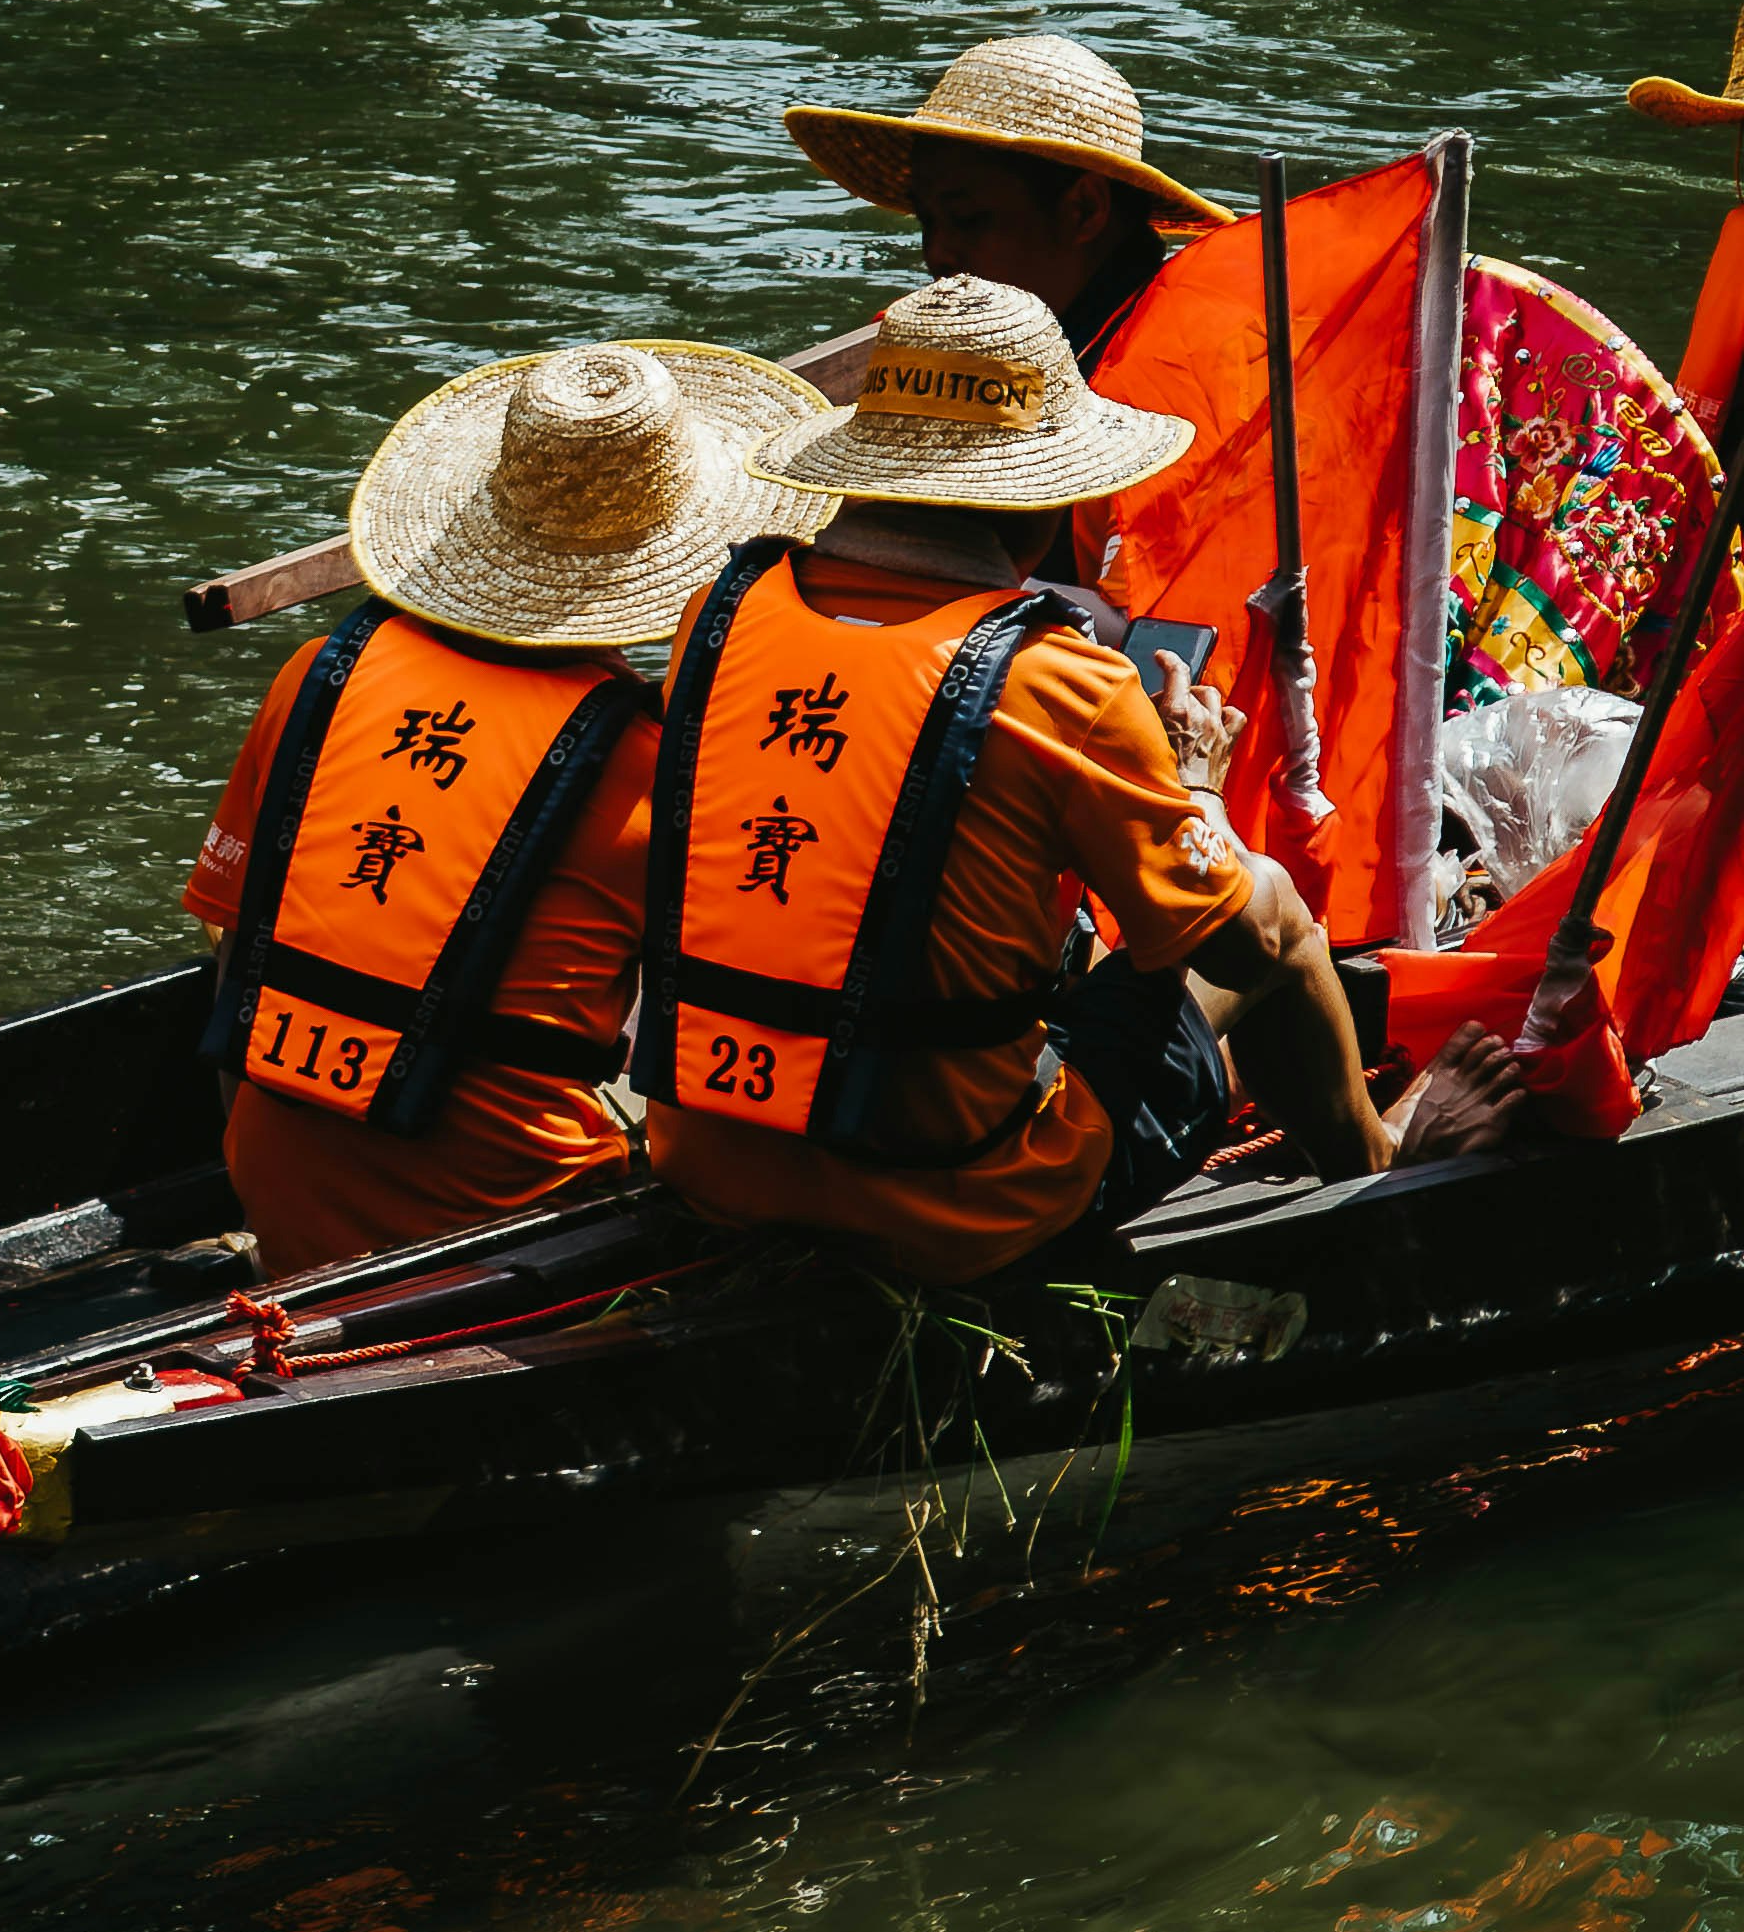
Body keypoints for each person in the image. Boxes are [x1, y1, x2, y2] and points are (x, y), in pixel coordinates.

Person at [634, 274, 1503, 1282]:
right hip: (960, 1203)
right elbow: (1226, 938)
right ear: (1044, 503)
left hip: (705, 1156)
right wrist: (1198, 781)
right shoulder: (1060, 677)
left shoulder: (720, 612)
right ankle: (1381, 1163)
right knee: (1268, 905)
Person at [187, 337, 829, 1280]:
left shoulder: (320, 674)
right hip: (506, 1219)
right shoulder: (659, 767)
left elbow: (229, 960)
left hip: (273, 1185)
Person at [780, 32, 1227, 379]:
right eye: (927, 222)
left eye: (969, 220)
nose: (936, 254)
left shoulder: (1168, 372)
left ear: (1084, 211)